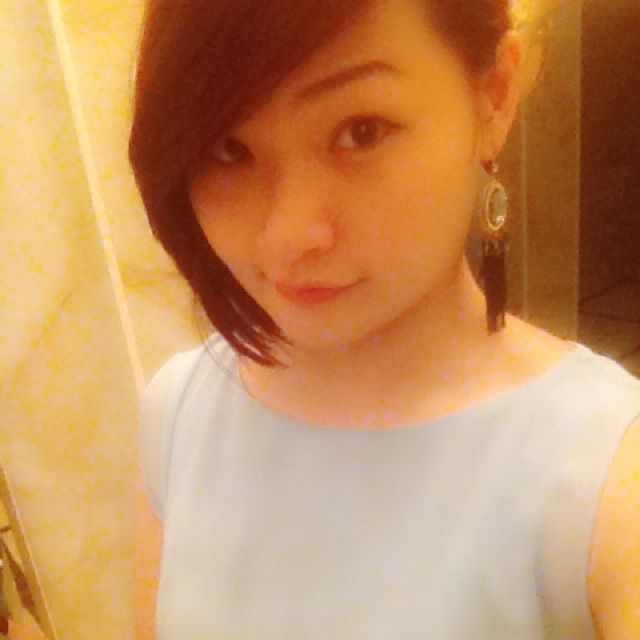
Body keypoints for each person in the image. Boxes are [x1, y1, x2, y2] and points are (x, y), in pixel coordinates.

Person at [128, 0, 640, 638]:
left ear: (495, 94)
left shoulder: (608, 475)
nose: (289, 235)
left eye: (361, 131)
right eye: (229, 149)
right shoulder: (179, 411)